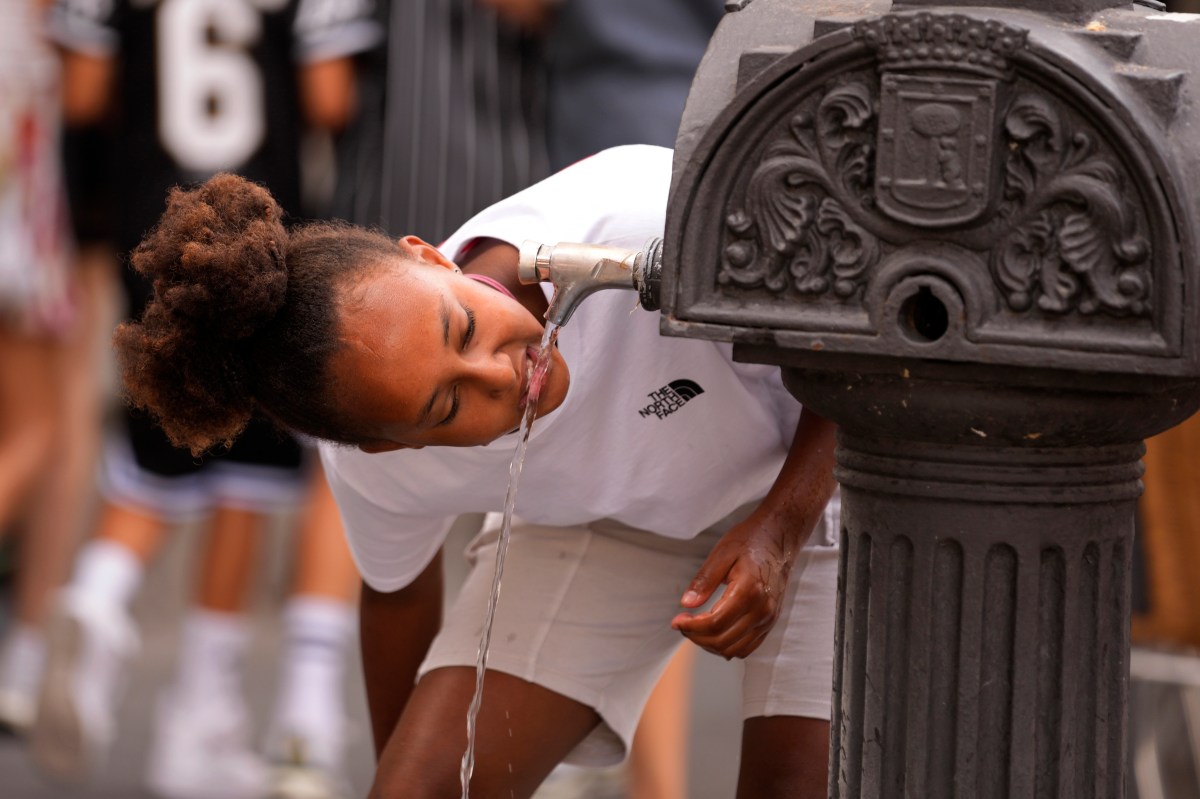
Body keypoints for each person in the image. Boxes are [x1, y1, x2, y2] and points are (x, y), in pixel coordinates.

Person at [114, 144, 842, 799]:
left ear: (431, 257)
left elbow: (868, 340)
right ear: (392, 447)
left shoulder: (634, 218)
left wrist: (780, 529)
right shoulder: (376, 466)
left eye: (460, 325)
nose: (502, 370)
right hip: (620, 519)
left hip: (825, 461)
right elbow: (395, 597)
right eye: (447, 404)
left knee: (794, 782)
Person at [32, 0, 379, 795]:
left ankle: (101, 594)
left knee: (160, 439)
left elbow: (82, 92)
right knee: (247, 469)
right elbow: (330, 97)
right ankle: (201, 709)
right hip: (257, 228)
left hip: (148, 220)